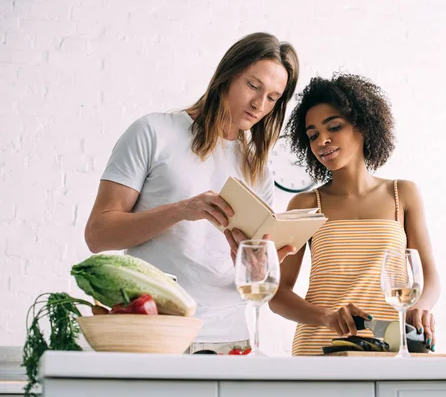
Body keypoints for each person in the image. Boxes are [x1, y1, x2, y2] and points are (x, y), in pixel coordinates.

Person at [84, 32, 299, 354]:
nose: (259, 104)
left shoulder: (258, 167)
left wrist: (256, 265)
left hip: (231, 339)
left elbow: (251, 275)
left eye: (272, 97)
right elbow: (98, 235)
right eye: (253, 86)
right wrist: (182, 210)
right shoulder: (154, 132)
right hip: (158, 334)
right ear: (226, 76)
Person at [269, 74, 441, 356]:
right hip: (319, 347)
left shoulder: (403, 194)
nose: (322, 140)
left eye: (333, 127)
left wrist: (420, 307)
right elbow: (278, 295)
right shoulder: (306, 204)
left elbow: (430, 277)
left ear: (363, 126)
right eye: (312, 135)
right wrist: (327, 317)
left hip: (391, 348)